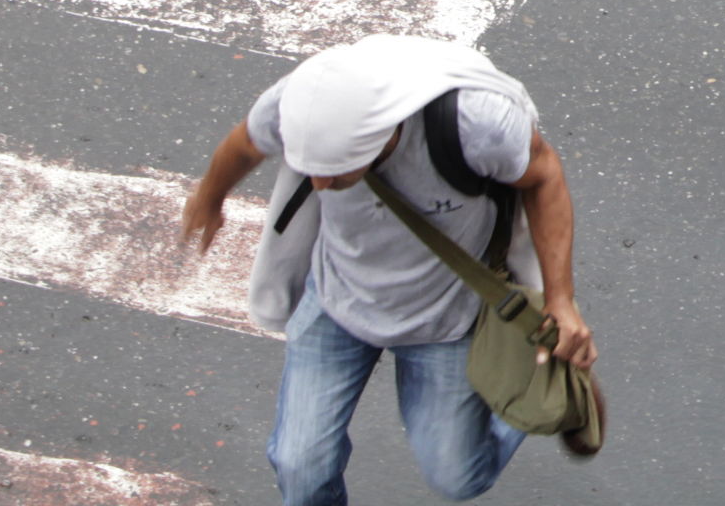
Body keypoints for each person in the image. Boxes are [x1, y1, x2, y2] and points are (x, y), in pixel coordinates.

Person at [179, 35, 601, 505]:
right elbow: (245, 142)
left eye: (336, 171)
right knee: (299, 466)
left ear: (382, 134)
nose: (320, 184)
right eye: (312, 169)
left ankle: (543, 387)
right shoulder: (299, 100)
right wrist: (210, 199)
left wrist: (560, 302)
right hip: (338, 296)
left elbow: (544, 174)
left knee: (458, 479)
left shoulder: (476, 123)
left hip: (448, 316)